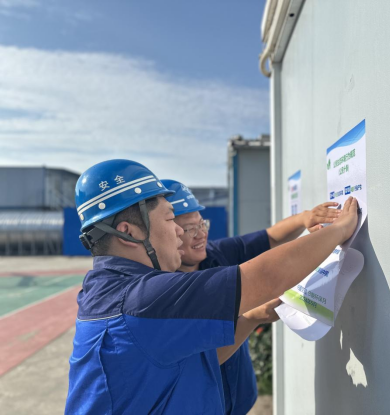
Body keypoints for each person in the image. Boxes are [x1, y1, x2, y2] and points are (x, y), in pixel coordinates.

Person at [65, 159, 358, 415]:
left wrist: (252, 317)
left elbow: (203, 357)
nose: (180, 232)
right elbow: (267, 276)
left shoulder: (110, 291)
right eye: (170, 219)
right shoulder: (142, 301)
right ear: (127, 233)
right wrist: (341, 229)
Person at [161, 179, 341, 414]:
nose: (200, 235)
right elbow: (201, 360)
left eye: (202, 225)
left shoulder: (215, 255)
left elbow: (271, 238)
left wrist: (305, 217)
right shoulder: (162, 291)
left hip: (240, 399)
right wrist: (251, 318)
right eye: (189, 229)